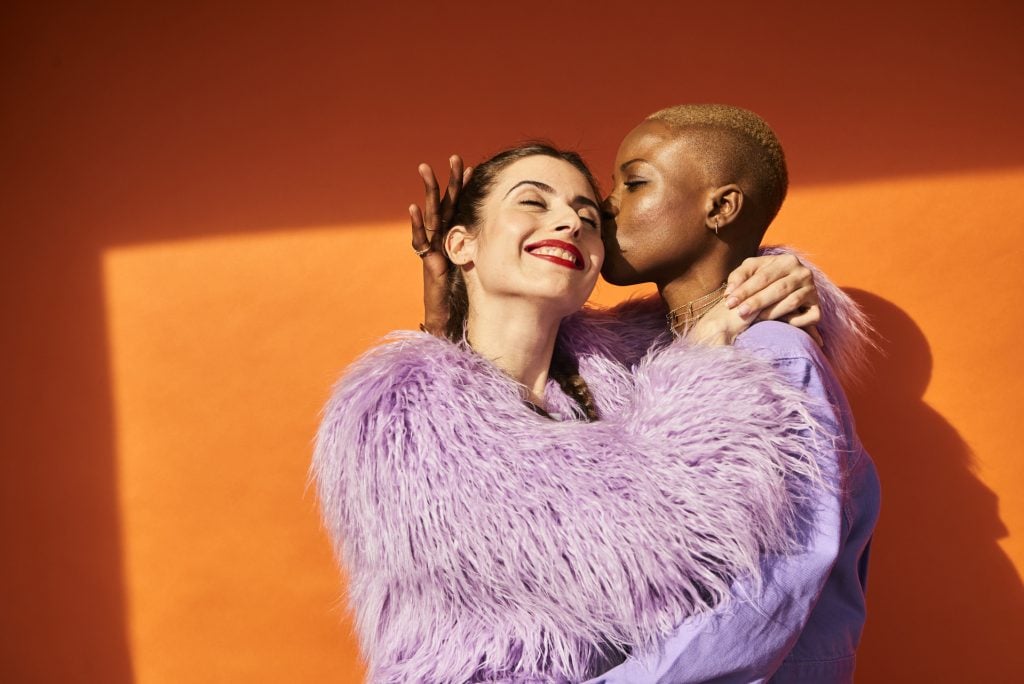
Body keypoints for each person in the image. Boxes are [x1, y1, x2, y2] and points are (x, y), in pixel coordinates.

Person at [313, 144, 835, 682]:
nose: (570, 223)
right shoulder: (397, 417)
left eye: (588, 216)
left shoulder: (618, 377)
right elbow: (642, 559)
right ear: (462, 243)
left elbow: (714, 319)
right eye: (533, 204)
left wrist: (766, 281)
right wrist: (703, 354)